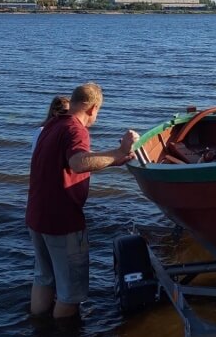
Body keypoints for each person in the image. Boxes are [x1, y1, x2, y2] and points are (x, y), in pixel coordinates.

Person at [26, 82, 139, 319]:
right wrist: (118, 153)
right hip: (62, 221)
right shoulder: (76, 129)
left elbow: (71, 160)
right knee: (70, 294)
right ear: (92, 108)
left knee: (44, 278)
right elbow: (78, 162)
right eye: (98, 112)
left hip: (37, 216)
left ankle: (38, 335)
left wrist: (114, 158)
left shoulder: (52, 124)